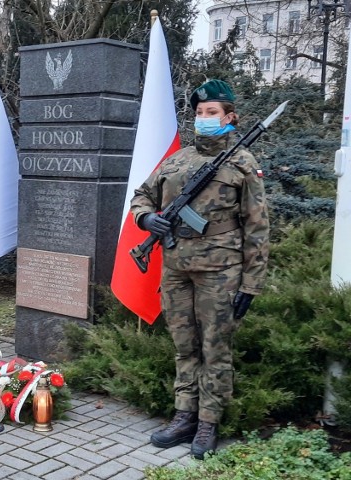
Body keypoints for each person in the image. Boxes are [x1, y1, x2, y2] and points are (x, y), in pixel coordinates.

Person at [130, 79, 270, 459]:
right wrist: (147, 221)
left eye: (212, 113)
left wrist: (251, 284)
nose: (204, 118)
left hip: (221, 272)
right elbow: (141, 195)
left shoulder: (243, 163)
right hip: (176, 267)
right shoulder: (177, 160)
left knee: (215, 348)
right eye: (199, 113)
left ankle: (208, 421)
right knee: (183, 346)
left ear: (230, 117)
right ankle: (184, 415)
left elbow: (257, 227)